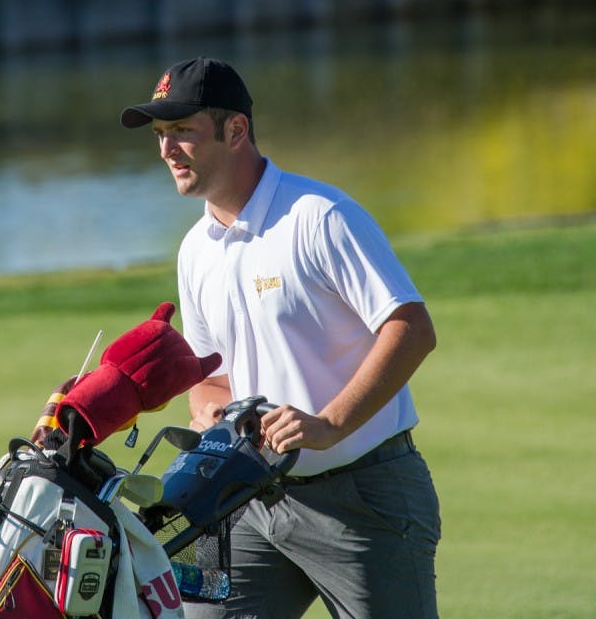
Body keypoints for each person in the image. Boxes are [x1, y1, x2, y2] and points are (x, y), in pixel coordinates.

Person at [119, 57, 441, 619]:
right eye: (161, 135)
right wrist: (213, 412)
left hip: (362, 499)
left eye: (183, 132)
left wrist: (329, 423)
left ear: (236, 130)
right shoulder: (196, 249)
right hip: (247, 500)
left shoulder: (319, 216)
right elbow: (211, 377)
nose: (167, 150)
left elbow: (410, 328)